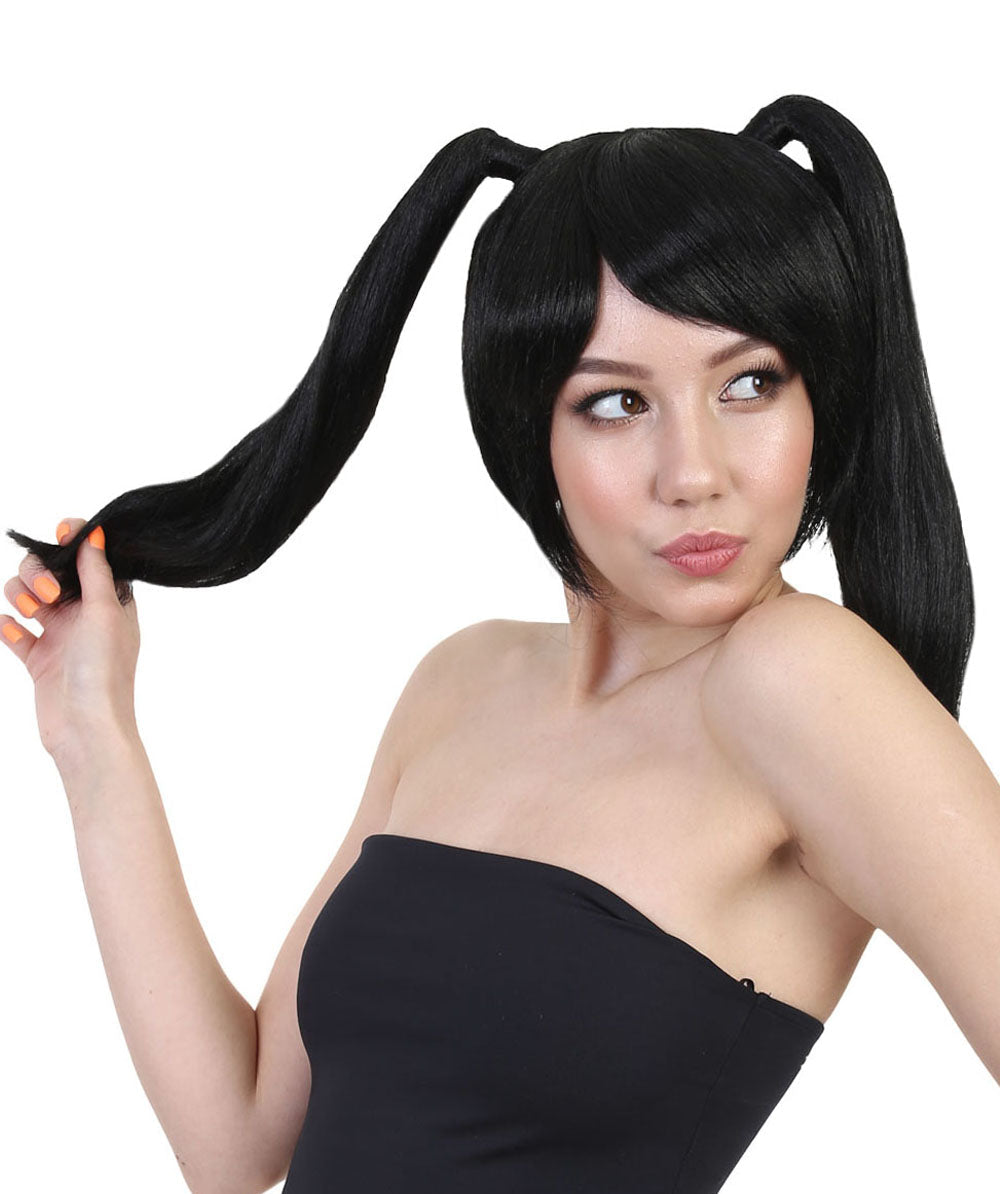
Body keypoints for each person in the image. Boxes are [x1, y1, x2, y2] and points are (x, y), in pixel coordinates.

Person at [2, 93, 997, 1194]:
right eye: (616, 404)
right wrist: (91, 737)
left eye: (750, 384)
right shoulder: (463, 681)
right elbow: (234, 1144)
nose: (695, 473)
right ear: (527, 428)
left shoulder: (801, 679)